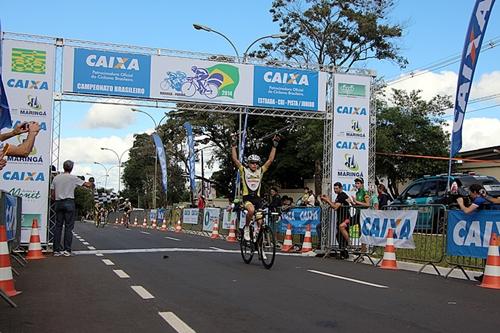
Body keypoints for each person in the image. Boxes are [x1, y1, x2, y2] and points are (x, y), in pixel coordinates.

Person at [231, 135, 280, 241]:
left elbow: (270, 160)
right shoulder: (244, 170)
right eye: (252, 163)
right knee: (251, 210)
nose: (254, 165)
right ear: (248, 164)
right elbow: (235, 159)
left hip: (257, 198)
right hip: (247, 198)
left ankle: (259, 241)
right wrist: (234, 146)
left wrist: (274, 146)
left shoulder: (260, 171)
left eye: (256, 163)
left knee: (260, 221)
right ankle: (247, 227)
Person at [50, 160, 93, 256]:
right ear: (71, 168)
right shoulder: (73, 178)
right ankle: (67, 250)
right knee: (68, 227)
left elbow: (52, 194)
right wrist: (91, 182)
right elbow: (87, 185)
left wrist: (56, 198)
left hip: (58, 203)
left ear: (63, 167)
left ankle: (56, 250)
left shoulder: (56, 178)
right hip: (69, 202)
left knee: (58, 227)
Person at [320, 182, 353, 259]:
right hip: (341, 217)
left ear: (341, 188)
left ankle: (348, 245)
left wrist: (327, 201)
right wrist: (328, 199)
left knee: (340, 236)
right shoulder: (339, 196)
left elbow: (335, 207)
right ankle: (344, 253)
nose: (335, 190)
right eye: (334, 188)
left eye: (337, 188)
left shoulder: (342, 196)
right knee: (339, 236)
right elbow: (334, 204)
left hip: (345, 218)